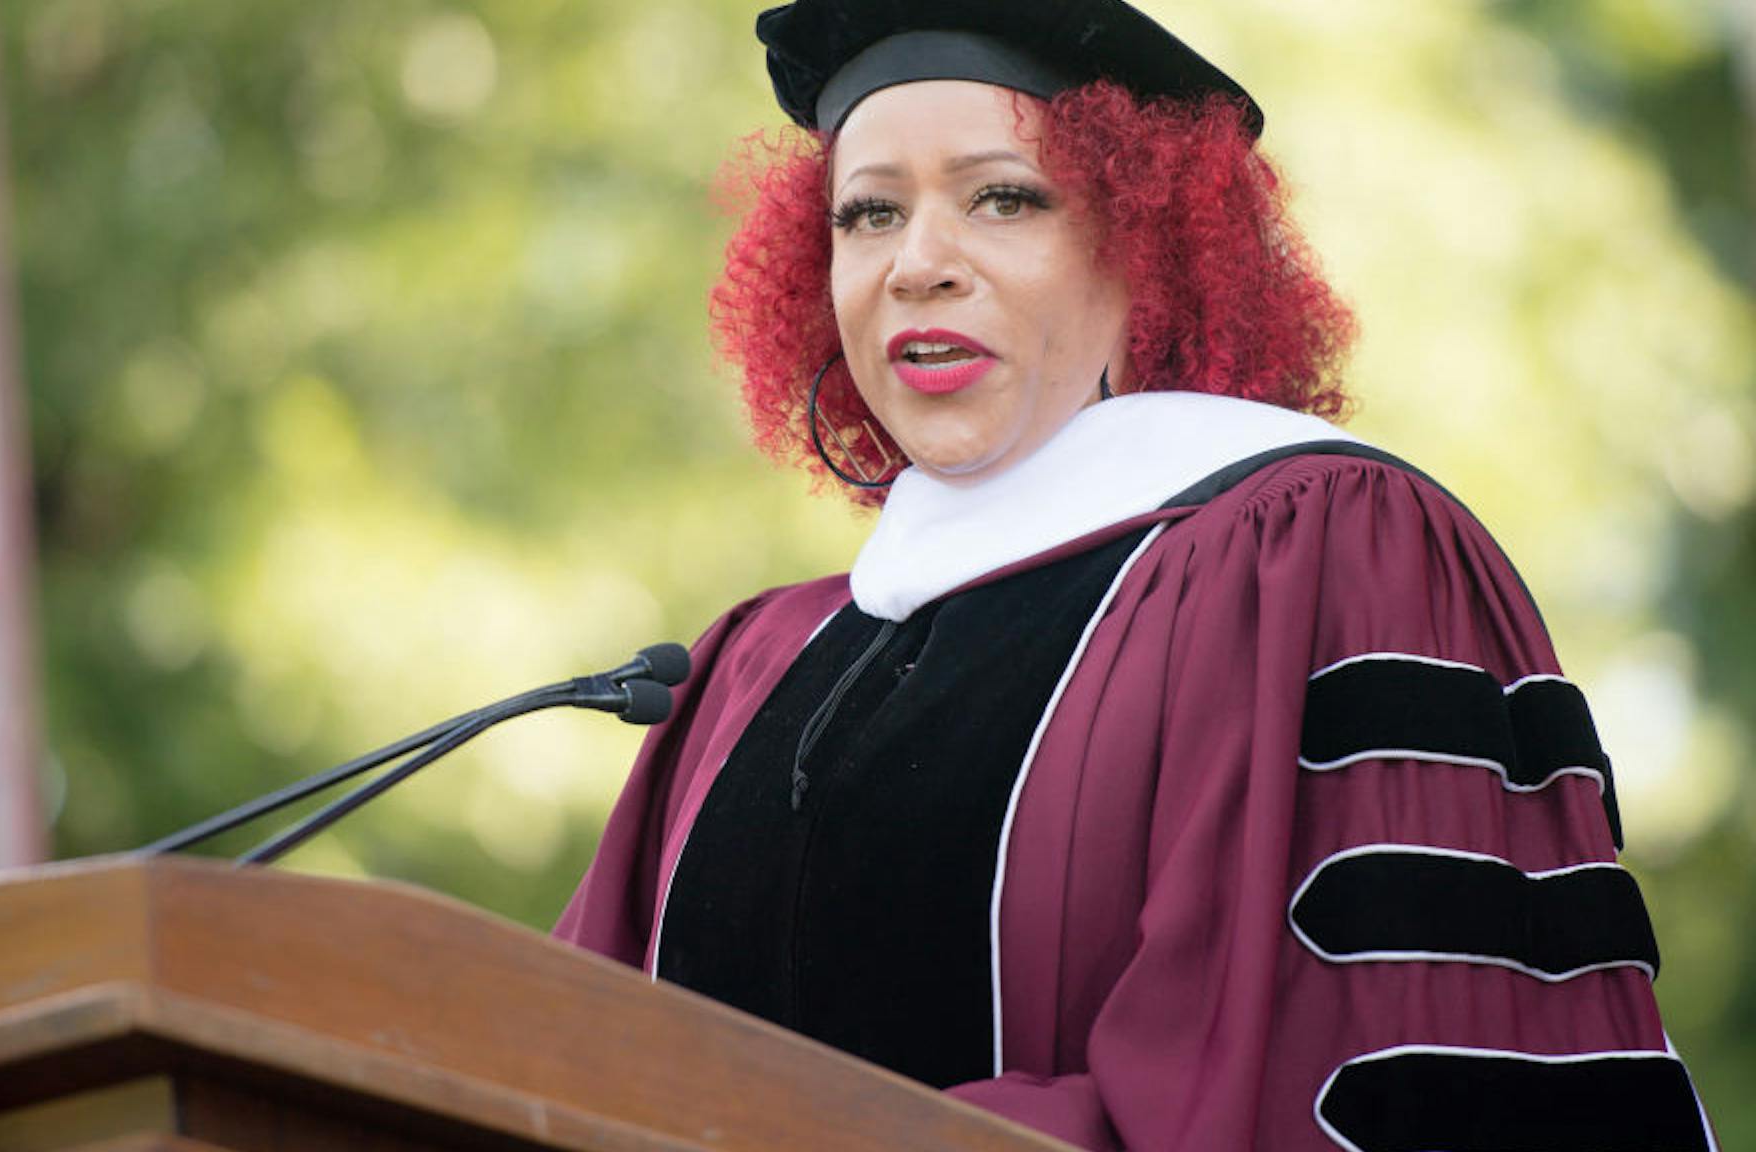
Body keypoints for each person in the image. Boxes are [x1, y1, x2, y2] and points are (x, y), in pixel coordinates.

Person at [556, 3, 1715, 1149]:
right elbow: (542, 1054)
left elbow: (1373, 1062)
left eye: (1001, 197)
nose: (916, 265)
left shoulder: (1319, 557)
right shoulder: (749, 668)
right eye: (867, 214)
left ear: (1147, 240)